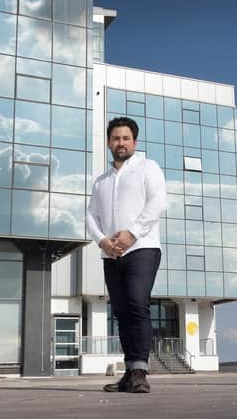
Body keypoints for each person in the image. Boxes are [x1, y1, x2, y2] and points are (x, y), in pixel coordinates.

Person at [86, 117, 167, 393]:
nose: (120, 143)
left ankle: (140, 372)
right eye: (116, 138)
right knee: (121, 312)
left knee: (136, 304)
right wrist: (103, 242)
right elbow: (91, 215)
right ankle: (130, 371)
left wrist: (131, 233)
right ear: (109, 142)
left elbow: (158, 202)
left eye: (126, 138)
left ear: (135, 142)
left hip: (142, 248)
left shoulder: (148, 168)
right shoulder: (101, 181)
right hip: (112, 254)